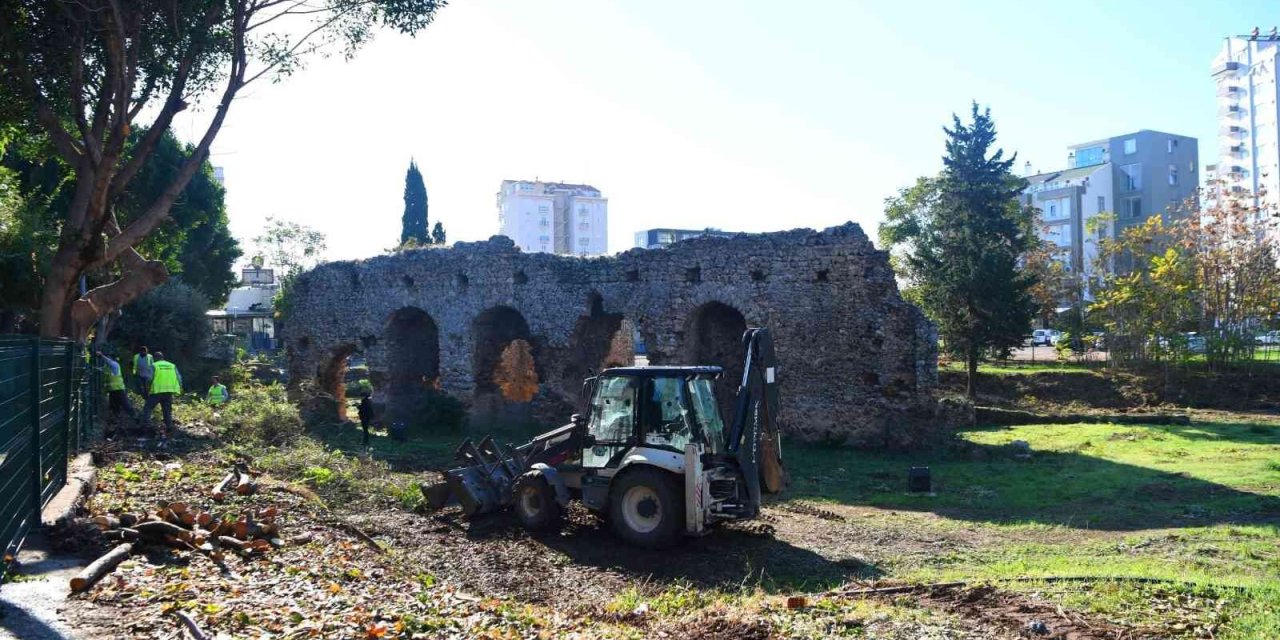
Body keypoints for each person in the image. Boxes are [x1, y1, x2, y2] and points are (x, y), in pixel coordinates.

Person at [140, 351, 182, 441]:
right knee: (167, 410)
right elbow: (179, 378)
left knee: (147, 408)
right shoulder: (172, 365)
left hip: (157, 391)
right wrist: (180, 388)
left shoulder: (154, 365)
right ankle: (169, 427)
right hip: (169, 392)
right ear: (163, 357)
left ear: (155, 358)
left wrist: (146, 389)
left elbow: (149, 378)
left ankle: (145, 427)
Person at [97, 350, 135, 438]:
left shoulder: (115, 365)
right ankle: (116, 420)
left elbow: (109, 362)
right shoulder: (107, 368)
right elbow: (103, 372)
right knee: (114, 406)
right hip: (112, 391)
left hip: (119, 389)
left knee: (125, 404)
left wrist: (102, 355)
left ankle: (134, 417)